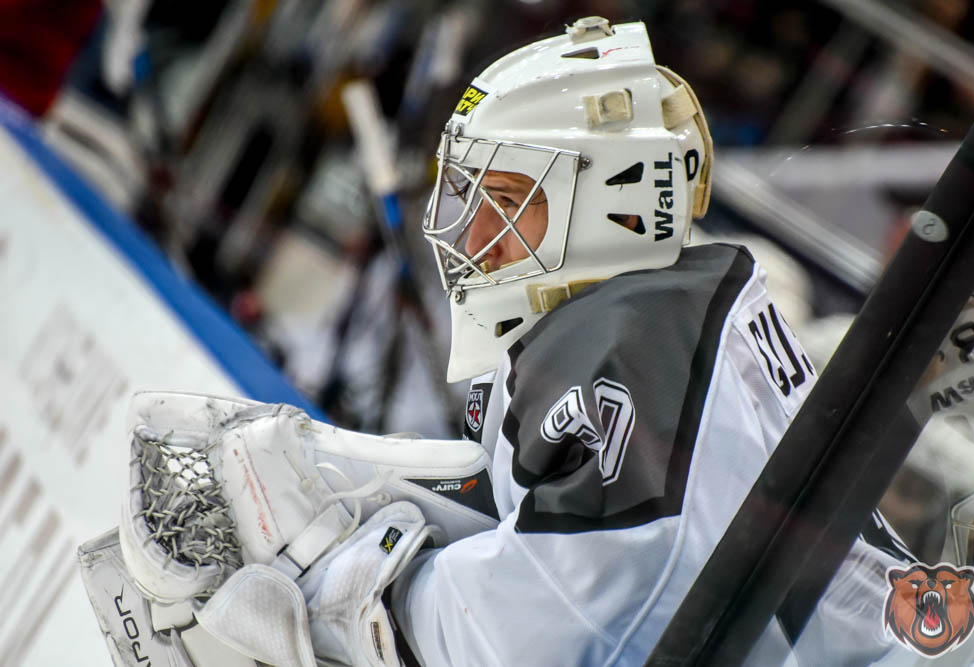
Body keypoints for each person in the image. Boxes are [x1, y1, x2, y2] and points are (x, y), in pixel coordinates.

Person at [102, 17, 911, 667]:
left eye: (503, 197)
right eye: (466, 194)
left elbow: (532, 632)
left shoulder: (629, 341)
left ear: (612, 197)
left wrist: (344, 600)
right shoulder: (665, 312)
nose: (470, 231)